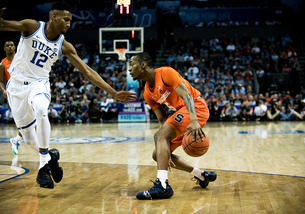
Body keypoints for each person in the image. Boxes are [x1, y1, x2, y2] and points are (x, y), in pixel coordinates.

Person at [0, 3, 136, 189]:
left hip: (39, 83)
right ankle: (51, 157)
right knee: (31, 141)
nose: (69, 23)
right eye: (66, 19)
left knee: (41, 108)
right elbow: (3, 25)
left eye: (70, 20)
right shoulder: (32, 27)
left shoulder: (65, 46)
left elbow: (87, 71)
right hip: (15, 86)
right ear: (53, 17)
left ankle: (43, 167)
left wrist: (113, 92)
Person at [129, 52, 216, 200]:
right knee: (158, 155)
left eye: (132, 65)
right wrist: (164, 149)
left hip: (195, 107)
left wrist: (194, 120)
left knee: (160, 137)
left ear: (143, 65)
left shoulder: (165, 72)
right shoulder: (147, 94)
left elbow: (187, 94)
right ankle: (201, 175)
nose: (129, 69)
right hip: (180, 114)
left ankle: (162, 184)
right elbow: (162, 120)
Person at [0, 37, 25, 155]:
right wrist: (4, 90)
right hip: (12, 95)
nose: (10, 47)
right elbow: (1, 81)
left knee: (31, 120)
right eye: (7, 45)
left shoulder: (21, 59)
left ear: (15, 47)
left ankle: (16, 140)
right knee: (22, 123)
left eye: (12, 45)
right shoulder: (2, 63)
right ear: (4, 48)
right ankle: (16, 139)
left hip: (25, 91)